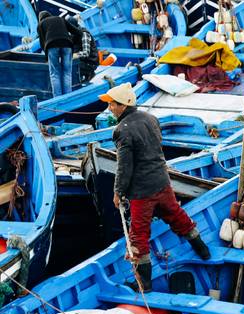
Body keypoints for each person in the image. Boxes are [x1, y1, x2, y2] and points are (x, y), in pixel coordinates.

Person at [99, 83, 211, 292]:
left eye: (112, 104)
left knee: (139, 235)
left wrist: (118, 192)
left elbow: (124, 167)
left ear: (123, 105)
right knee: (177, 216)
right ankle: (203, 251)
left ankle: (145, 284)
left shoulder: (121, 131)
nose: (110, 109)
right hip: (162, 183)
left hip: (142, 192)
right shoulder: (151, 119)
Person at [37, 11, 74, 97]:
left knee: (54, 74)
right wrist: (72, 43)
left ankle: (58, 97)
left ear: (40, 19)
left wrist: (47, 58)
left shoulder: (41, 24)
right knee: (67, 72)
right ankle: (68, 96)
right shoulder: (60, 19)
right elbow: (77, 32)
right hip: (67, 45)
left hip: (51, 46)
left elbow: (43, 43)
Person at [66, 16, 99, 83]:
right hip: (81, 61)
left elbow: (86, 52)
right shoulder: (73, 35)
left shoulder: (84, 34)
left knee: (69, 65)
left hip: (90, 63)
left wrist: (76, 55)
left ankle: (89, 73)